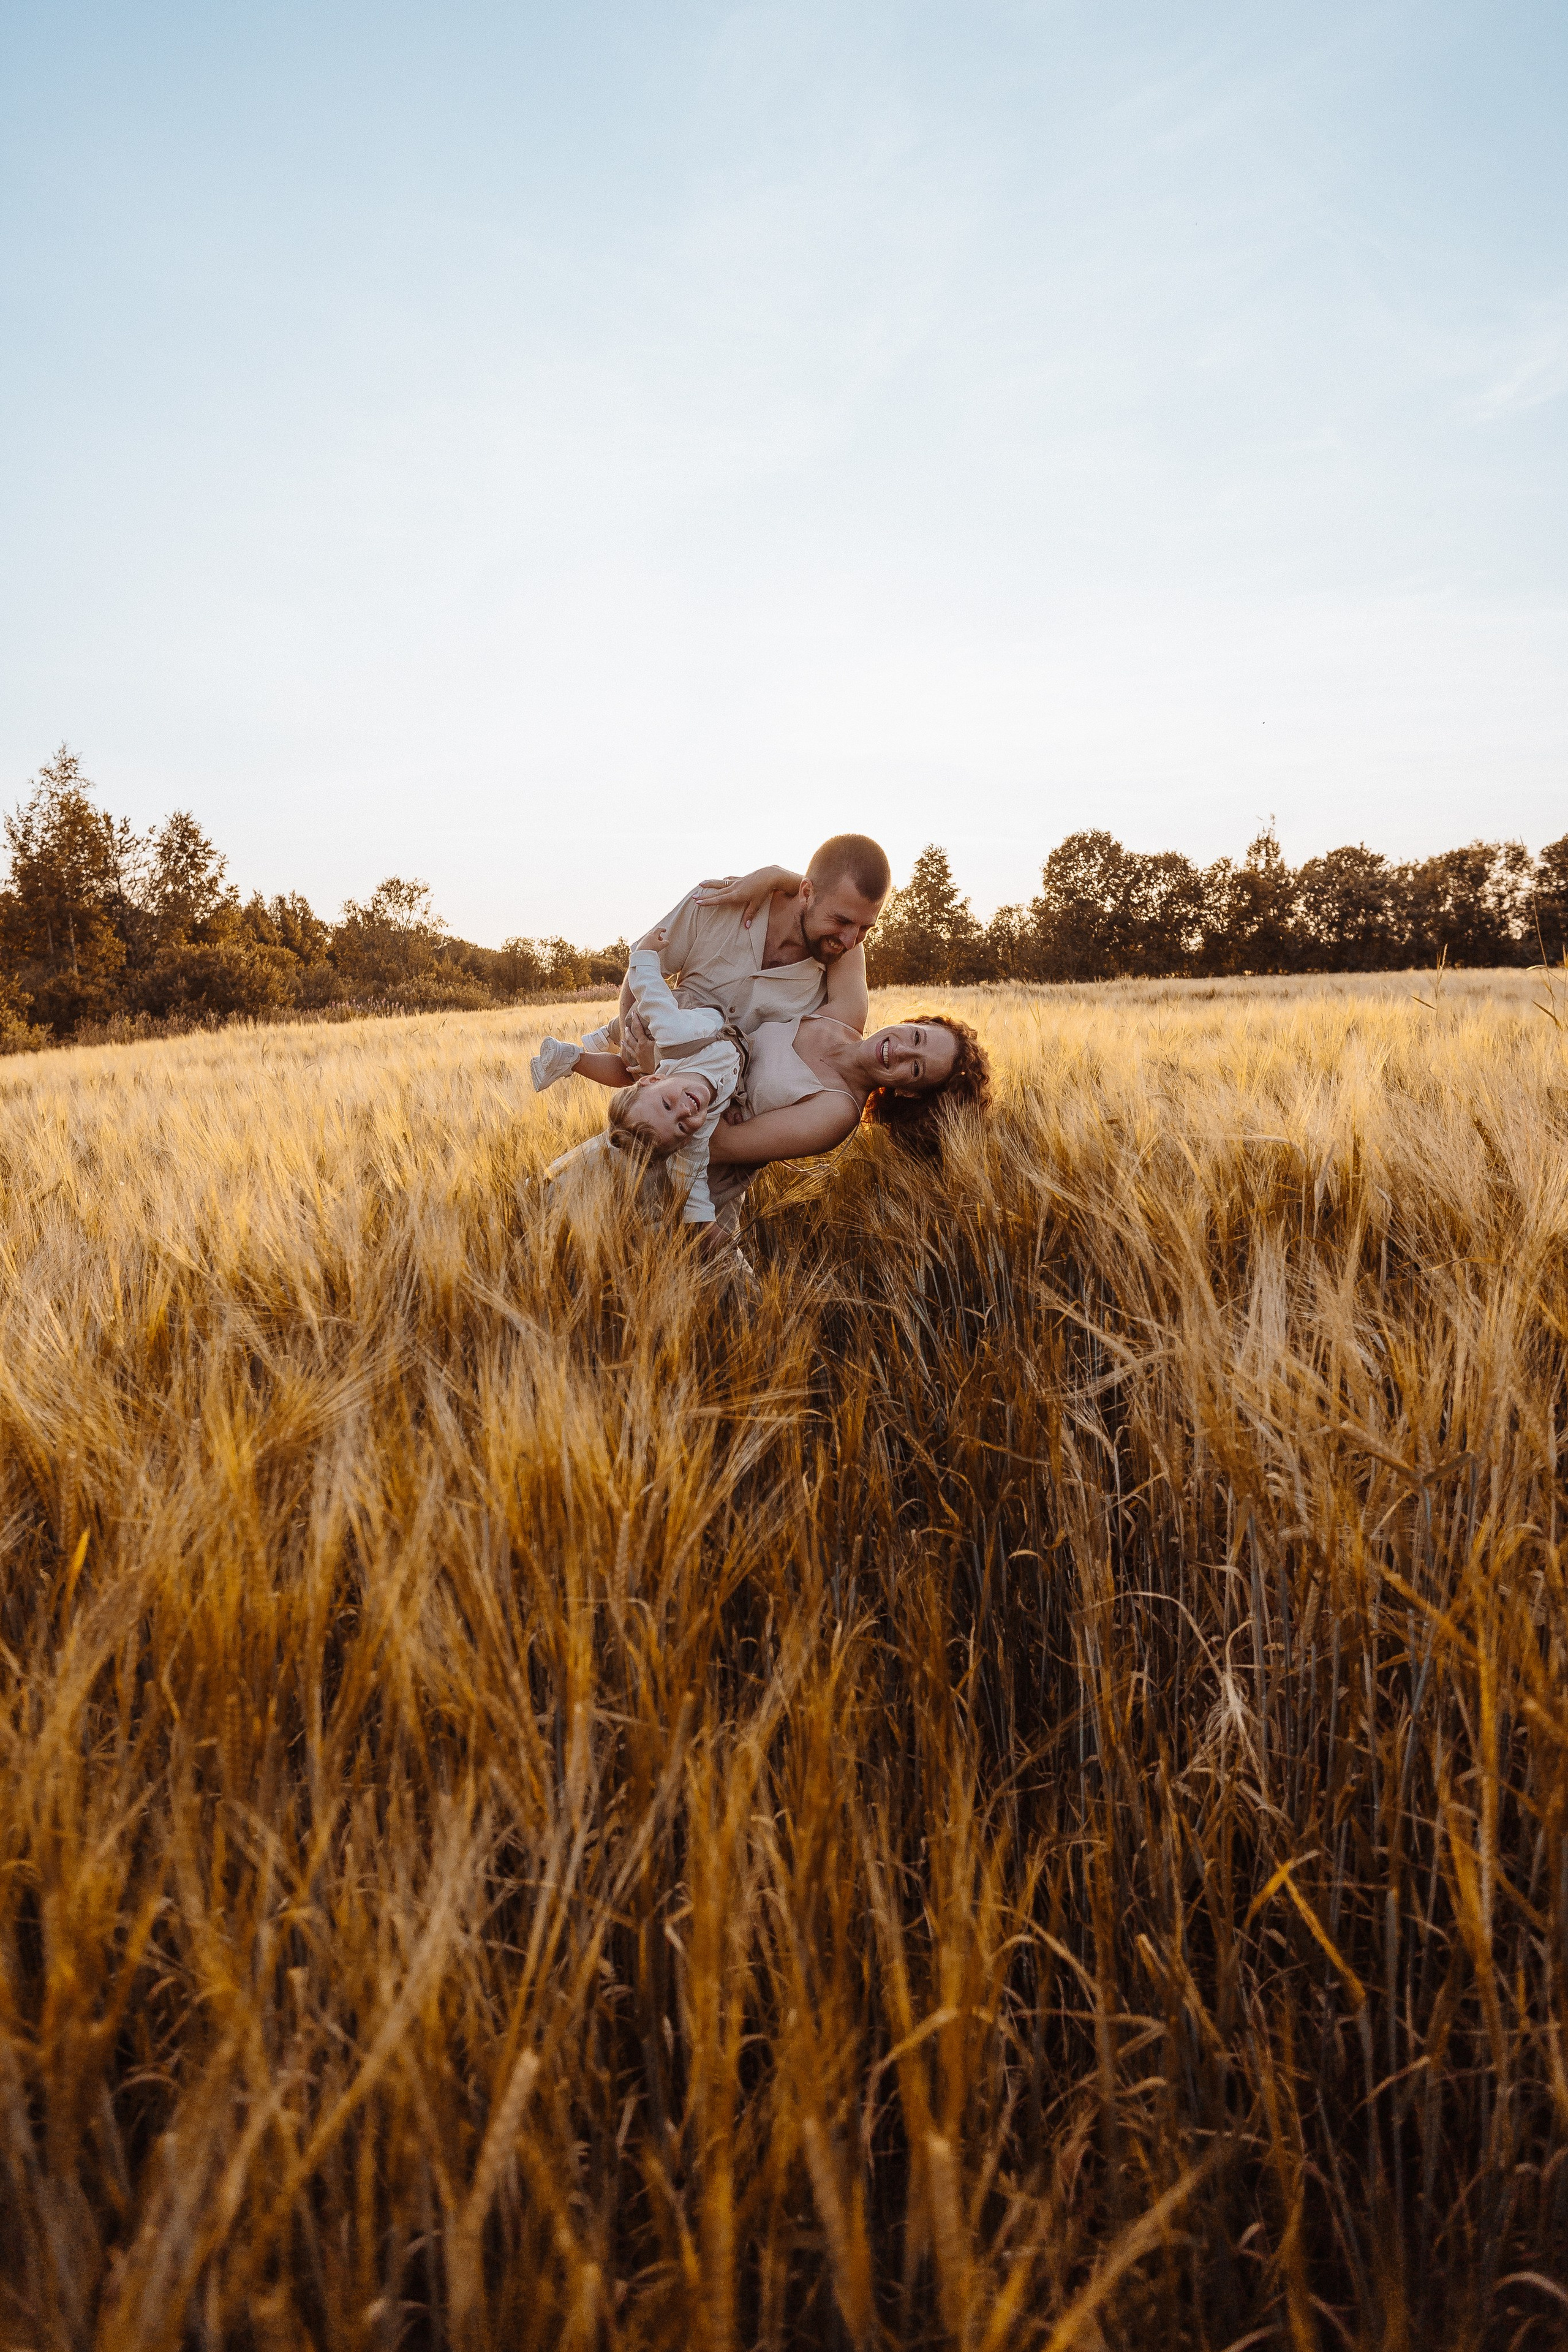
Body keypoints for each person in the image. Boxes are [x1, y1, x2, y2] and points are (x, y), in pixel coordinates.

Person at [533, 836, 892, 1093]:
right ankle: (589, 1047)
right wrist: (633, 1043)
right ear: (807, 893)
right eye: (841, 921)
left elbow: (845, 1032)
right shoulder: (714, 902)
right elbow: (644, 962)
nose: (851, 941)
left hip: (717, 1125)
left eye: (865, 929)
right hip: (652, 1100)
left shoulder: (838, 971)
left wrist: (777, 874)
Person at [536, 948, 742, 1224]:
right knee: (630, 1061)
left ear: (653, 1079)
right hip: (665, 1037)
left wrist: (644, 952)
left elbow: (651, 992)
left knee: (635, 1045)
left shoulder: (677, 1036)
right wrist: (702, 1220)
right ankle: (580, 1053)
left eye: (667, 1105)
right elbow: (690, 1173)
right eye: (682, 1127)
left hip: (680, 1013)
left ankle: (601, 1039)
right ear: (686, 1140)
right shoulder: (701, 1122)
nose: (684, 1111)